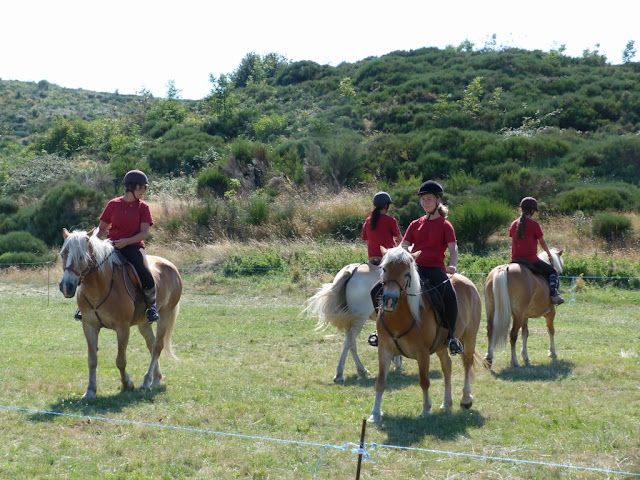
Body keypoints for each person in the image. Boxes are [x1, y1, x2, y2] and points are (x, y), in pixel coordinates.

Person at [74, 170, 160, 323]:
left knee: (144, 271)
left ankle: (151, 307)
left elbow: (144, 233)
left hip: (133, 247)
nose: (144, 191)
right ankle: (84, 306)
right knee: (91, 269)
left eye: (144, 188)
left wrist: (126, 241)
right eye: (142, 188)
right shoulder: (113, 204)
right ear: (132, 187)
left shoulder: (143, 208)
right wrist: (93, 243)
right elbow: (101, 228)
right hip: (111, 246)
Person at [401, 180, 464, 355]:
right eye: (423, 199)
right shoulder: (415, 224)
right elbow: (404, 246)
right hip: (414, 268)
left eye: (428, 199)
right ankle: (381, 330)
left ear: (438, 200)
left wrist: (452, 264)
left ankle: (451, 337)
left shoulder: (445, 225)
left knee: (450, 296)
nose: (425, 203)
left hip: (435, 269)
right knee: (380, 289)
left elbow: (453, 248)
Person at [510, 196, 565, 305]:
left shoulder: (513, 224)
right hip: (531, 260)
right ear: (531, 211)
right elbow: (542, 242)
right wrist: (549, 254)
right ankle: (554, 295)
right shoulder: (534, 225)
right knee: (553, 272)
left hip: (515, 260)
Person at [361, 191, 402, 265]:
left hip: (372, 259)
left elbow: (367, 241)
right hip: (388, 258)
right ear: (386, 205)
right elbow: (400, 239)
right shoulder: (390, 220)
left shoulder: (368, 221)